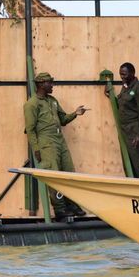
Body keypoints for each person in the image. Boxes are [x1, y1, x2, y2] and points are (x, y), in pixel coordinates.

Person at [24, 72, 88, 220]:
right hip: (47, 143)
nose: (52, 85)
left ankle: (71, 204)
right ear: (41, 84)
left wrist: (75, 113)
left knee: (69, 174)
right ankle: (60, 209)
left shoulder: (52, 100)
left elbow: (63, 119)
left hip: (60, 140)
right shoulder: (32, 104)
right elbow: (30, 130)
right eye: (49, 83)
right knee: (54, 176)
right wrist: (37, 149)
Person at [117, 62, 139, 179]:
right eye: (121, 74)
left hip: (135, 131)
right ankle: (134, 194)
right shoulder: (125, 87)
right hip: (125, 132)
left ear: (132, 73)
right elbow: (123, 105)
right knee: (129, 165)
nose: (122, 77)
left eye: (125, 74)